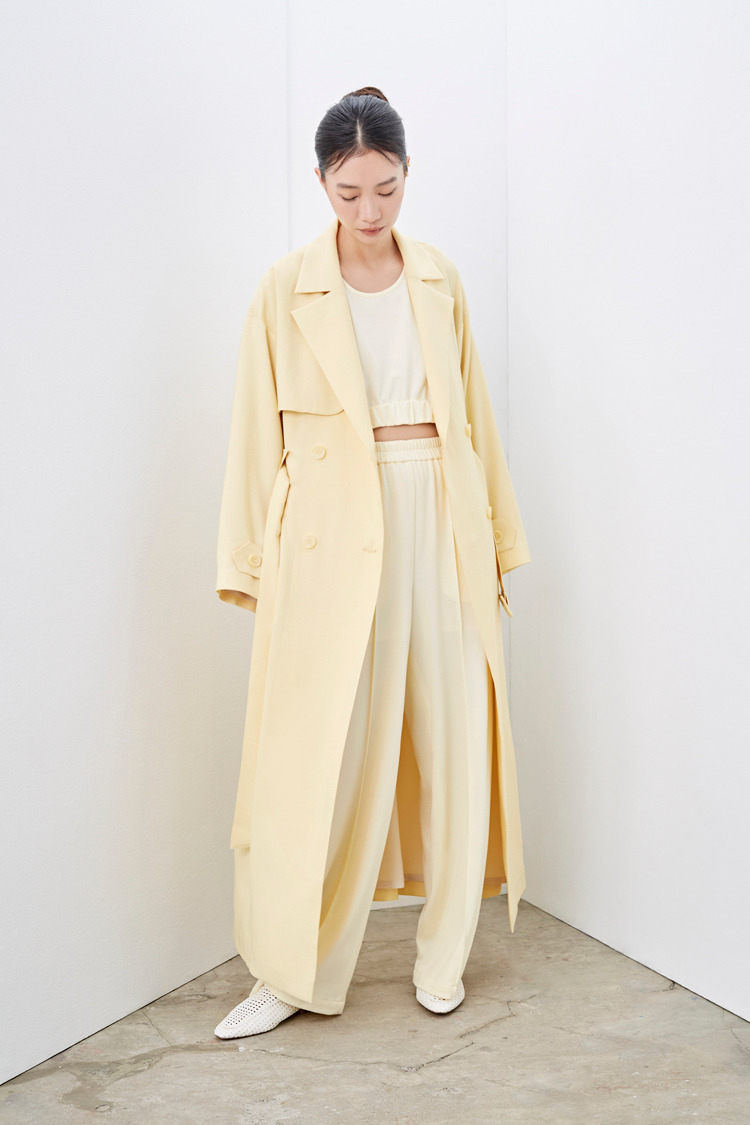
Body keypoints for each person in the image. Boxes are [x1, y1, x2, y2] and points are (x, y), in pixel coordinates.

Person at [213, 87, 531, 1039]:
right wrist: (248, 563)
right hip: (329, 523)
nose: (369, 210)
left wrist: (499, 539)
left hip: (438, 504)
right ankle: (292, 965)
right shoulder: (284, 288)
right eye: (349, 191)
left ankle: (444, 956)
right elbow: (252, 432)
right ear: (321, 181)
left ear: (406, 176)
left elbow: (474, 416)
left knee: (453, 731)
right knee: (323, 751)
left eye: (386, 189)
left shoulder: (437, 277)